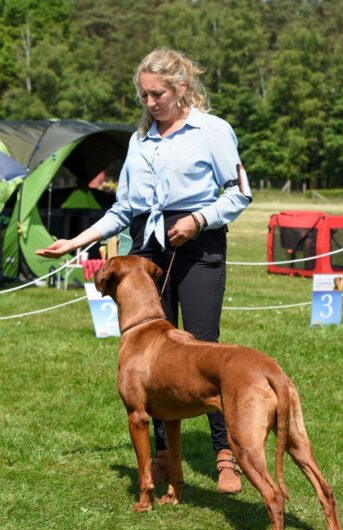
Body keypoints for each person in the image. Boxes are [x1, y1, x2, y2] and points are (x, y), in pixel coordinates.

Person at [36, 48, 252, 494]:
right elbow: (125, 207)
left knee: (204, 348)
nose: (150, 103)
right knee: (154, 356)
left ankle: (224, 452)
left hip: (198, 243)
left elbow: (239, 194)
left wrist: (197, 221)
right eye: (144, 95)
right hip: (149, 244)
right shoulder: (140, 139)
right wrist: (79, 241)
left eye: (158, 94)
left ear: (182, 89)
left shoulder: (212, 132)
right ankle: (161, 453)